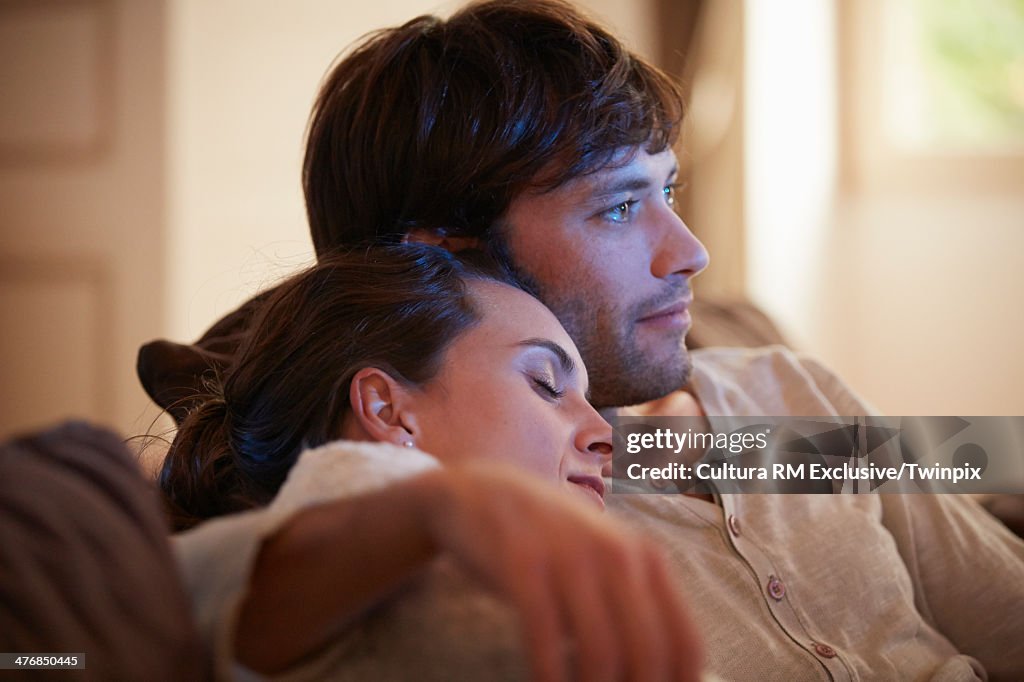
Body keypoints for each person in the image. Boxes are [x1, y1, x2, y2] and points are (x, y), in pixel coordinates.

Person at [142, 0, 1024, 679]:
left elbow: (994, 563)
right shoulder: (458, 536)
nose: (690, 252)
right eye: (617, 206)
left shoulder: (781, 395)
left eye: (668, 190)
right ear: (443, 261)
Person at [166, 244, 703, 681]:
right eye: (544, 384)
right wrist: (436, 505)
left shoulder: (743, 401)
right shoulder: (333, 560)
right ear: (388, 409)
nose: (606, 434)